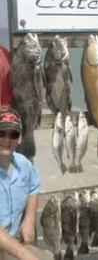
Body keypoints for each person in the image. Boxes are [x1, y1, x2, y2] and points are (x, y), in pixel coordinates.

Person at [0, 108, 40, 260]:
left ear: (20, 139)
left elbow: (34, 187)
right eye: (1, 133)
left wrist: (29, 219)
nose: (6, 140)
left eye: (13, 135)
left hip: (14, 244)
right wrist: (25, 255)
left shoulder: (24, 164)